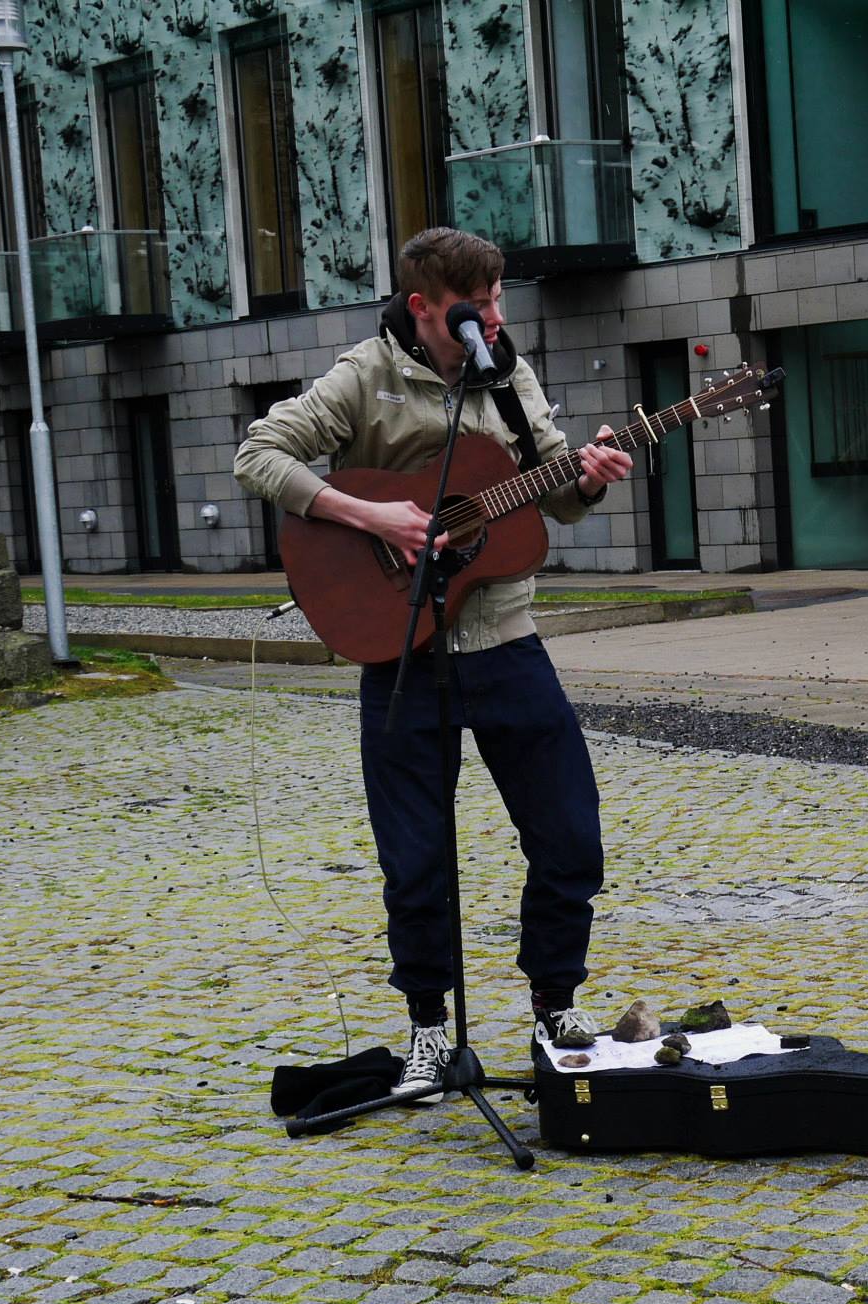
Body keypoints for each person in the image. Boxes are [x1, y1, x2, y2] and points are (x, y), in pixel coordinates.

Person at [234, 227, 634, 1102]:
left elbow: (556, 497)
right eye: (473, 307)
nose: (493, 318)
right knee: (415, 859)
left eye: (497, 300)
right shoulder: (364, 377)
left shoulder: (510, 376)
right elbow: (258, 454)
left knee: (570, 835)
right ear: (422, 307)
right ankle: (428, 1029)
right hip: (403, 651)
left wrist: (590, 476)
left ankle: (555, 1007)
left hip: (506, 643)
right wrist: (371, 516)